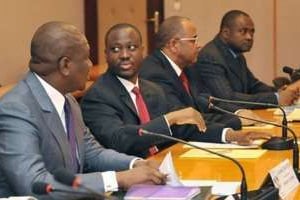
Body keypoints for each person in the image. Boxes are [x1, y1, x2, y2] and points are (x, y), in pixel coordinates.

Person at [0, 22, 167, 200]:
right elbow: (35, 184)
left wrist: (135, 163)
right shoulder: (17, 109)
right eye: (87, 58)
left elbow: (92, 153)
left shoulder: (68, 100)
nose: (91, 65)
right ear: (65, 65)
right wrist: (118, 179)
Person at [81, 23, 270, 159]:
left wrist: (230, 135)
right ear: (105, 54)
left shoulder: (151, 89)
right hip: (132, 177)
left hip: (167, 164)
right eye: (115, 49)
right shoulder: (98, 96)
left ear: (142, 51)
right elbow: (119, 139)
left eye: (131, 48)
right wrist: (169, 119)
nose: (124, 55)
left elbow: (184, 127)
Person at [194, 10, 299, 110]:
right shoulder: (210, 56)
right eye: (243, 31)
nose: (249, 37)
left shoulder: (236, 54)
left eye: (252, 32)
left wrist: (279, 92)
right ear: (226, 33)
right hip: (221, 121)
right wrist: (276, 98)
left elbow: (253, 86)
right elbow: (227, 98)